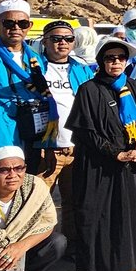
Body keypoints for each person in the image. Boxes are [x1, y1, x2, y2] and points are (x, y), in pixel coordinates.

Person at [62, 38, 136, 271]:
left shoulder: (133, 87)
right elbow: (86, 132)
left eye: (120, 58)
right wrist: (116, 154)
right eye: (110, 58)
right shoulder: (89, 89)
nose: (115, 62)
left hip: (129, 163)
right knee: (95, 216)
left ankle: (122, 263)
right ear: (101, 62)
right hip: (98, 164)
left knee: (124, 214)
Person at [0, 0, 55, 155]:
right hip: (6, 132)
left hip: (34, 131)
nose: (16, 28)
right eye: (9, 23)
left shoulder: (35, 58)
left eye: (22, 23)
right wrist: (5, 149)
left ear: (29, 26)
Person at [29, 21, 95, 182]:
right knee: (38, 203)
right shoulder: (32, 69)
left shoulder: (82, 69)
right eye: (56, 38)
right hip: (44, 148)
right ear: (44, 41)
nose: (63, 42)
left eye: (69, 39)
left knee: (73, 204)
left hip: (76, 148)